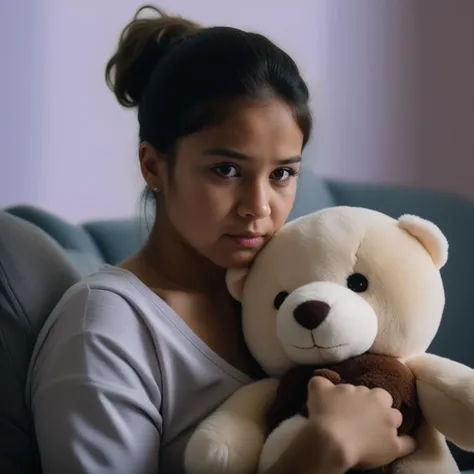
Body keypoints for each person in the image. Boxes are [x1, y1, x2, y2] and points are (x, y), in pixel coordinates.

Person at [26, 5, 416, 474]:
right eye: (226, 170)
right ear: (154, 166)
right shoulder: (107, 329)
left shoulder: (292, 296)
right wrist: (321, 453)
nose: (259, 206)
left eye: (282, 173)